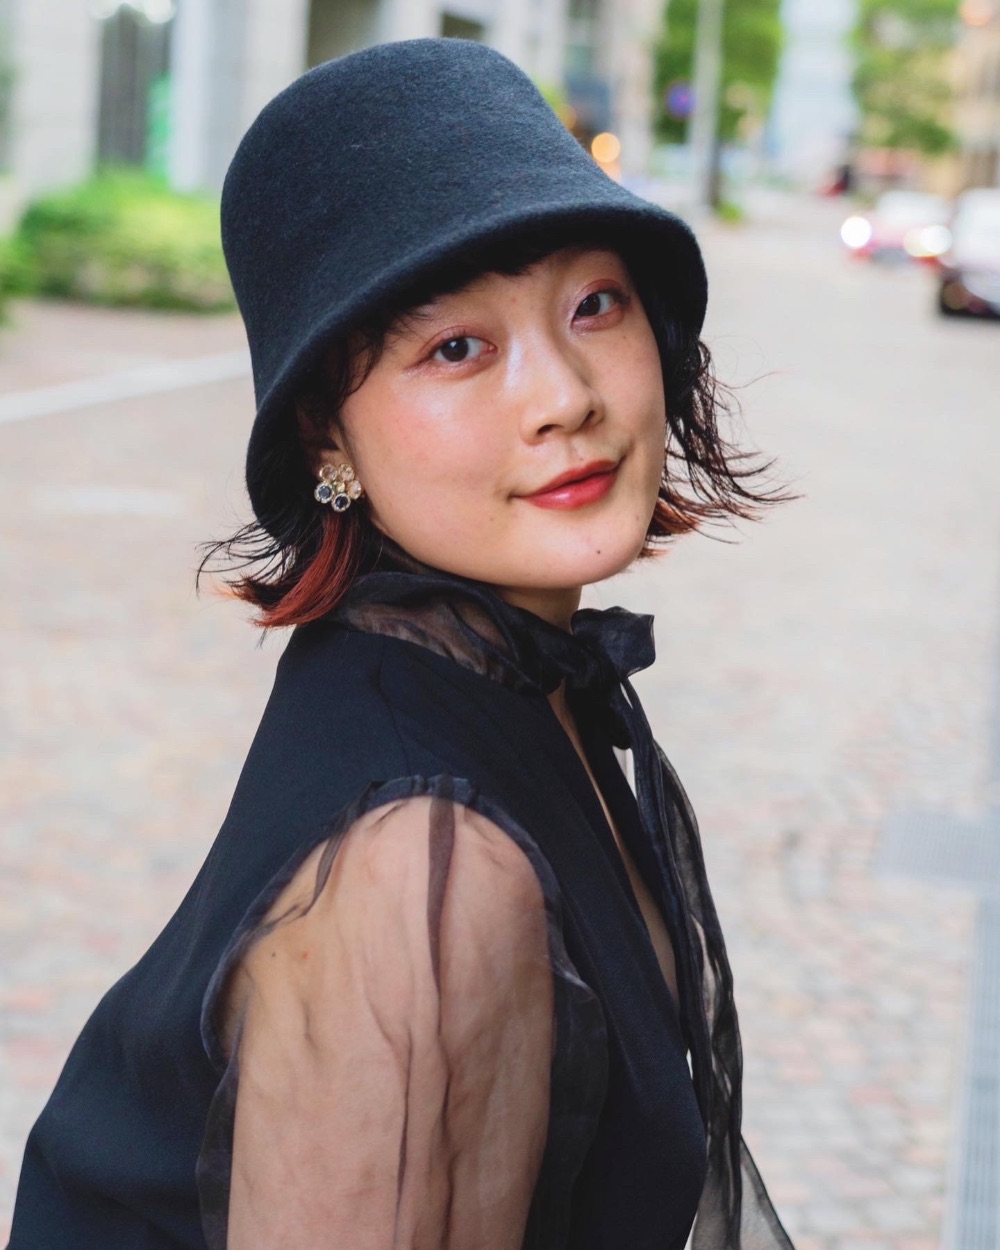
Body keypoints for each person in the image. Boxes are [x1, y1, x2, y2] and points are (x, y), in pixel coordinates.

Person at [7, 38, 794, 1250]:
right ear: (328, 436)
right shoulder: (426, 867)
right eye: (456, 347)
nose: (564, 396)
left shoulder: (514, 677)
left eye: (593, 303)